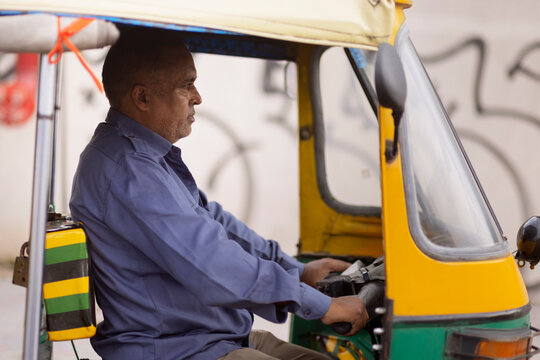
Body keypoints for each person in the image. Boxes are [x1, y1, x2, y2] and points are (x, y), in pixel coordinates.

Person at [70, 27, 368, 360]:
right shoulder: (128, 171)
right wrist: (319, 305)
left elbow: (217, 223)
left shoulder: (147, 157)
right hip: (177, 349)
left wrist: (297, 271)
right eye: (186, 85)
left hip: (213, 338)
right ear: (142, 98)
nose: (197, 97)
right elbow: (214, 261)